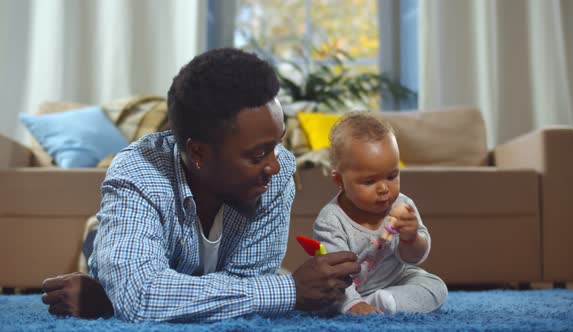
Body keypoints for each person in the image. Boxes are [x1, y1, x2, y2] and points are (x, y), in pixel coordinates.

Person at [41, 48, 360, 322]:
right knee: (112, 257)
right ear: (198, 153)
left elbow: (249, 286)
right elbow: (141, 296)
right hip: (119, 235)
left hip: (162, 263)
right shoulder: (138, 173)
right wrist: (289, 289)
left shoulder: (275, 175)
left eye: (276, 145)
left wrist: (112, 300)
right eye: (258, 153)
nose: (275, 165)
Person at [313, 112, 448, 316]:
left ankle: (386, 301)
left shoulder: (403, 204)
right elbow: (335, 274)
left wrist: (411, 238)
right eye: (369, 181)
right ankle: (356, 304)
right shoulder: (331, 220)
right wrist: (350, 303)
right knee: (325, 297)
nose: (384, 188)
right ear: (339, 181)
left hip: (395, 278)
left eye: (392, 176)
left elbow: (414, 258)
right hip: (346, 289)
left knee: (436, 287)